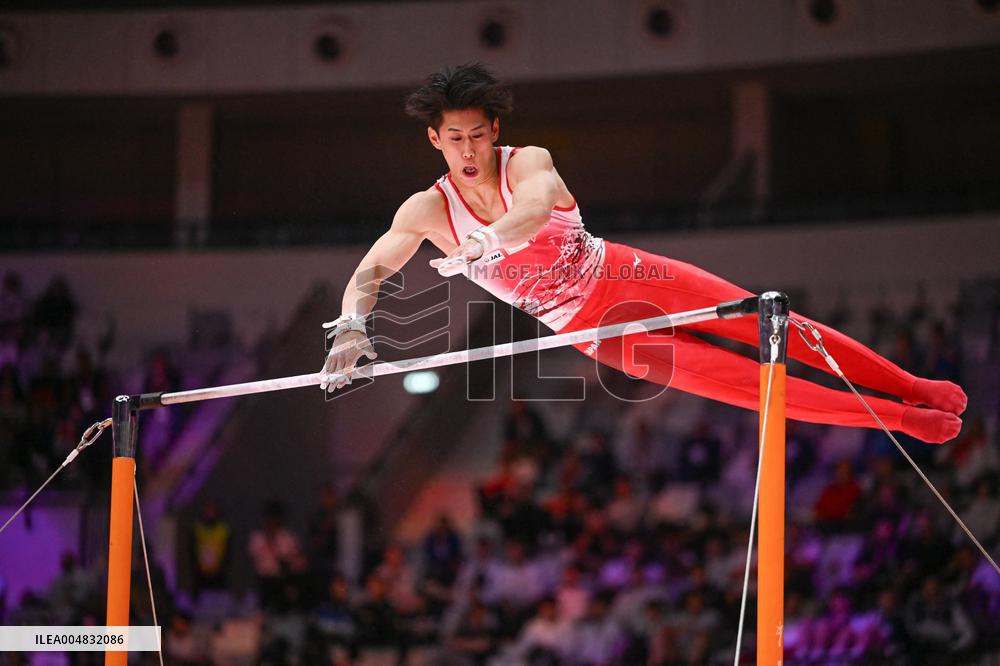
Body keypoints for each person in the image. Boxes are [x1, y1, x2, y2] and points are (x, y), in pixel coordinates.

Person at [319, 63, 966, 444]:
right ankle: (898, 419)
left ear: (495, 132)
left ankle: (911, 387)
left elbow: (536, 211)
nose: (468, 150)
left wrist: (488, 239)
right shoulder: (426, 210)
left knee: (777, 328)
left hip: (632, 275)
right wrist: (352, 325)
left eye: (477, 135)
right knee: (749, 386)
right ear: (435, 140)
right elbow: (372, 269)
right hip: (596, 331)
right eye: (454, 138)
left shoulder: (529, 162)